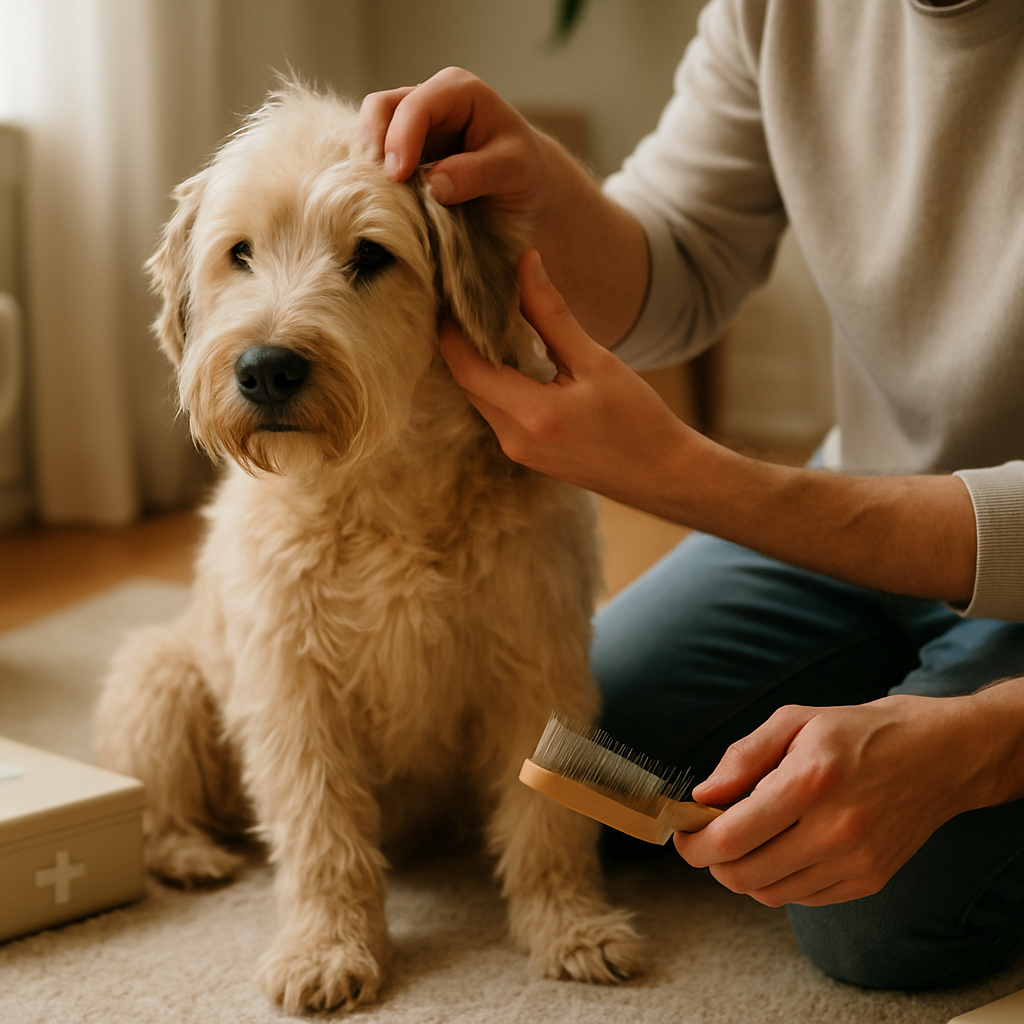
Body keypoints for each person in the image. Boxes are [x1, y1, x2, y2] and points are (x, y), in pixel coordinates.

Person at [356, 0, 1024, 992]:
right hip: (870, 505)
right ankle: (904, 676)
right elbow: (678, 251)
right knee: (573, 770)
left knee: (871, 913)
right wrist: (539, 186)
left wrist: (983, 741)